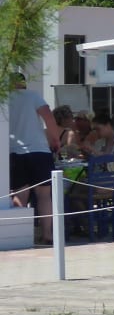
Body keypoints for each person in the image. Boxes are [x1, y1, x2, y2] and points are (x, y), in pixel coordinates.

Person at [8, 74, 60, 245]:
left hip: (14, 151)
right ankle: (47, 234)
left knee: (20, 194)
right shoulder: (32, 95)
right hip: (39, 150)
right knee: (44, 195)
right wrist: (55, 139)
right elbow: (48, 117)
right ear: (24, 83)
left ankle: (19, 236)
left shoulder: (4, 99)